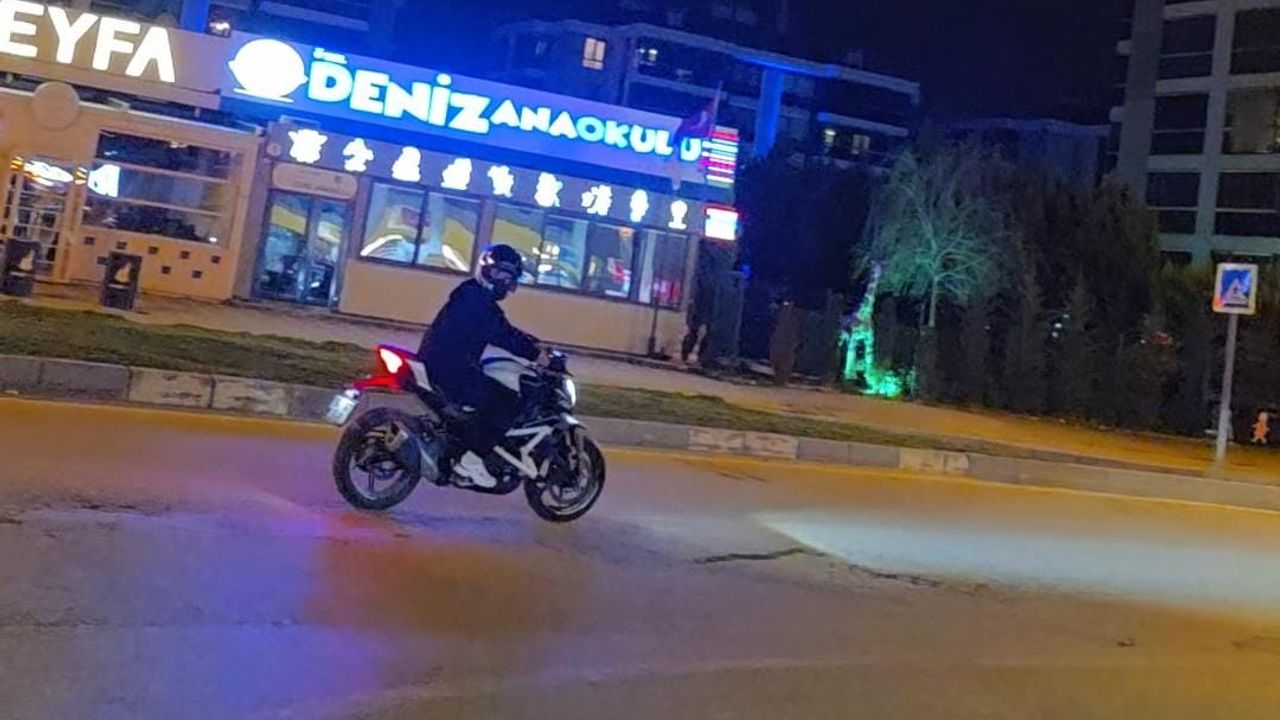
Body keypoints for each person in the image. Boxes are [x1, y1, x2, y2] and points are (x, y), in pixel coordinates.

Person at [419, 244, 543, 488]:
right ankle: (471, 460)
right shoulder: (475, 299)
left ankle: (459, 445)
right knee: (507, 401)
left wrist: (534, 344)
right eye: (499, 273)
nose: (503, 280)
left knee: (491, 388)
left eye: (508, 276)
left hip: (447, 363)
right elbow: (501, 333)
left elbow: (504, 329)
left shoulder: (474, 295)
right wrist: (536, 354)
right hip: (449, 368)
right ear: (486, 270)